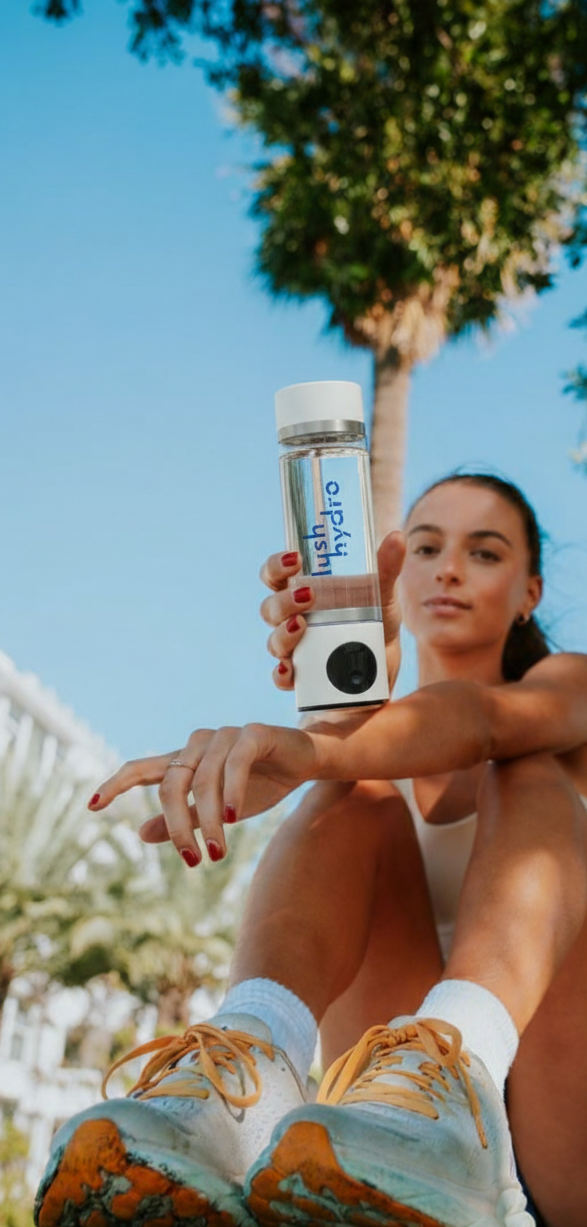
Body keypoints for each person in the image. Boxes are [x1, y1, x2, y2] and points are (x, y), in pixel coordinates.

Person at [35, 473, 587, 1227]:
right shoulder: (366, 754)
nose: (448, 568)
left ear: (529, 591)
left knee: (525, 765)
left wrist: (312, 750)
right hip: (386, 1143)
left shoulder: (569, 687)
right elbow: (392, 741)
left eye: (483, 552)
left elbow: (485, 719)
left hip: (567, 1147)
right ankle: (241, 1084)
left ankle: (462, 1065)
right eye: (425, 546)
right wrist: (341, 728)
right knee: (353, 790)